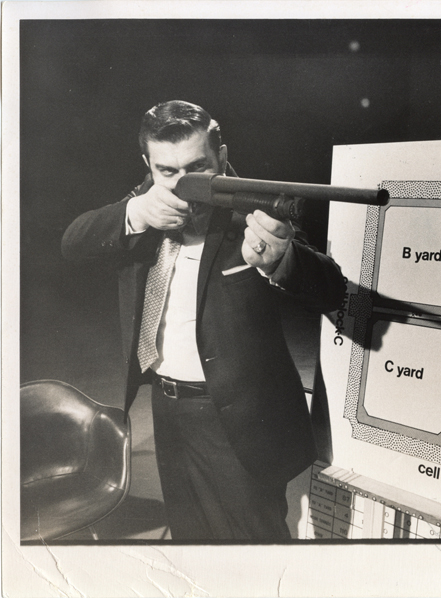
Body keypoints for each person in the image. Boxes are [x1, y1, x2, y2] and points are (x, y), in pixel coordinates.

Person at [62, 100, 346, 541]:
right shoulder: (143, 205)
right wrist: (135, 213)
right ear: (148, 165)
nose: (184, 185)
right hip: (167, 408)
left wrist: (283, 261)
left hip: (240, 419)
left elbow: (331, 289)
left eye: (198, 167)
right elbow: (73, 243)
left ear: (222, 157)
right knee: (188, 544)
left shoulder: (253, 208)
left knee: (255, 549)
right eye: (168, 171)